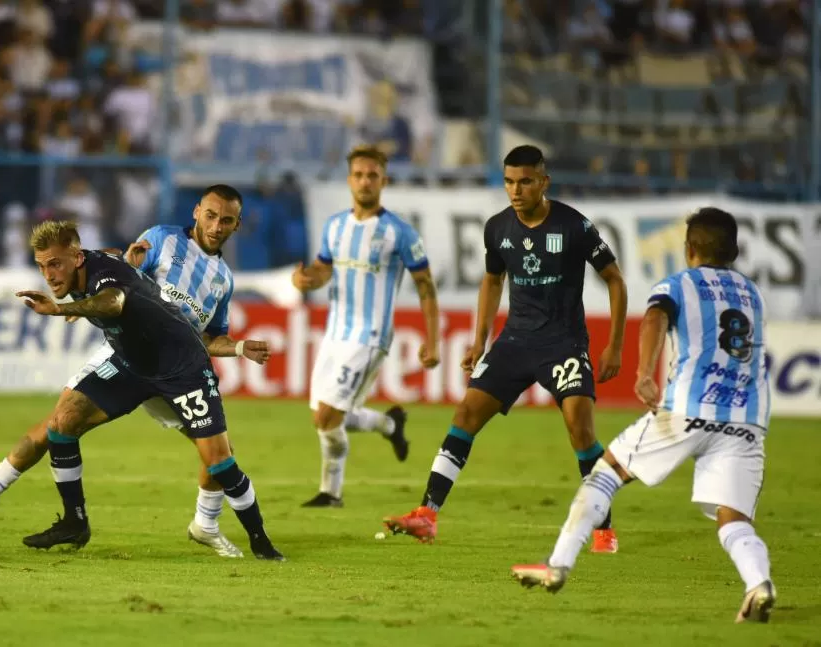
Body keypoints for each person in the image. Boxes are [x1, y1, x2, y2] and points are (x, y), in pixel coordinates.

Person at [0, 186, 274, 558]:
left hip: (181, 366)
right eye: (211, 215)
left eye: (226, 220)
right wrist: (118, 268)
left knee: (221, 461)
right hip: (129, 357)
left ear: (236, 225)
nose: (216, 225)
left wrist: (238, 347)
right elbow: (122, 265)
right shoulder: (162, 238)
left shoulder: (223, 279)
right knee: (61, 423)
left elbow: (132, 304)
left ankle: (213, 528)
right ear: (196, 212)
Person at [511, 207, 776, 623]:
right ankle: (758, 584)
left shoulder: (680, 283)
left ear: (689, 249)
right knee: (732, 519)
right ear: (735, 250)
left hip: (688, 410)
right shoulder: (753, 295)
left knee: (607, 471)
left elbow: (655, 316)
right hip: (746, 419)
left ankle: (558, 563)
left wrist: (643, 372)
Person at [383, 145, 628, 552]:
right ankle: (426, 515)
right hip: (515, 341)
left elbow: (615, 280)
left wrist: (614, 346)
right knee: (465, 414)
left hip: (563, 343)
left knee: (580, 430)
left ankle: (603, 527)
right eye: (510, 182)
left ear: (543, 182)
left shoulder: (574, 226)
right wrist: (479, 339)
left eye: (526, 181)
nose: (516, 190)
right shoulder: (497, 228)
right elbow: (493, 279)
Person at [291, 144, 441, 508]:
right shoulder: (335, 226)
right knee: (322, 417)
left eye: (372, 175)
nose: (365, 181)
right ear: (349, 180)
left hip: (370, 336)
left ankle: (331, 492)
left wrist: (433, 341)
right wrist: (307, 280)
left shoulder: (400, 232)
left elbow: (425, 285)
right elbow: (324, 268)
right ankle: (388, 426)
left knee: (328, 416)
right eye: (358, 175)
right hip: (335, 333)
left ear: (383, 180)